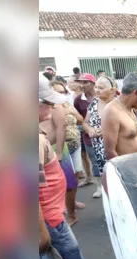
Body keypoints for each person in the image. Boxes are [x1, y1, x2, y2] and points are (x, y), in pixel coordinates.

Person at [39, 77, 93, 259]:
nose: (53, 107)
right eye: (48, 102)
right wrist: (41, 235)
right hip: (49, 223)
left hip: (45, 219)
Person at [50, 81, 86, 216]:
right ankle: (62, 205)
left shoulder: (67, 104)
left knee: (76, 174)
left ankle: (72, 201)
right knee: (63, 178)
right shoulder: (49, 107)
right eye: (57, 92)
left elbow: (81, 120)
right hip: (60, 147)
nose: (61, 94)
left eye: (62, 91)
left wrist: (72, 112)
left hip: (75, 144)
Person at [102, 72, 137, 159]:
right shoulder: (112, 112)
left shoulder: (131, 108)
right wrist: (124, 170)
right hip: (129, 168)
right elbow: (109, 152)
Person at [82, 76, 117, 177]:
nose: (97, 90)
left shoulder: (118, 104)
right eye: (96, 87)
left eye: (101, 88)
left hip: (115, 149)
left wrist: (106, 131)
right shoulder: (94, 103)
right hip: (99, 150)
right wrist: (90, 129)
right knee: (106, 177)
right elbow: (85, 122)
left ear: (112, 89)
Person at [74, 73, 102, 197]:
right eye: (80, 82)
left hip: (106, 135)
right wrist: (88, 129)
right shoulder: (78, 100)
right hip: (89, 136)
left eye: (85, 82)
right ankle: (99, 186)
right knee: (94, 161)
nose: (82, 85)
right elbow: (79, 119)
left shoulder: (103, 95)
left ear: (93, 83)